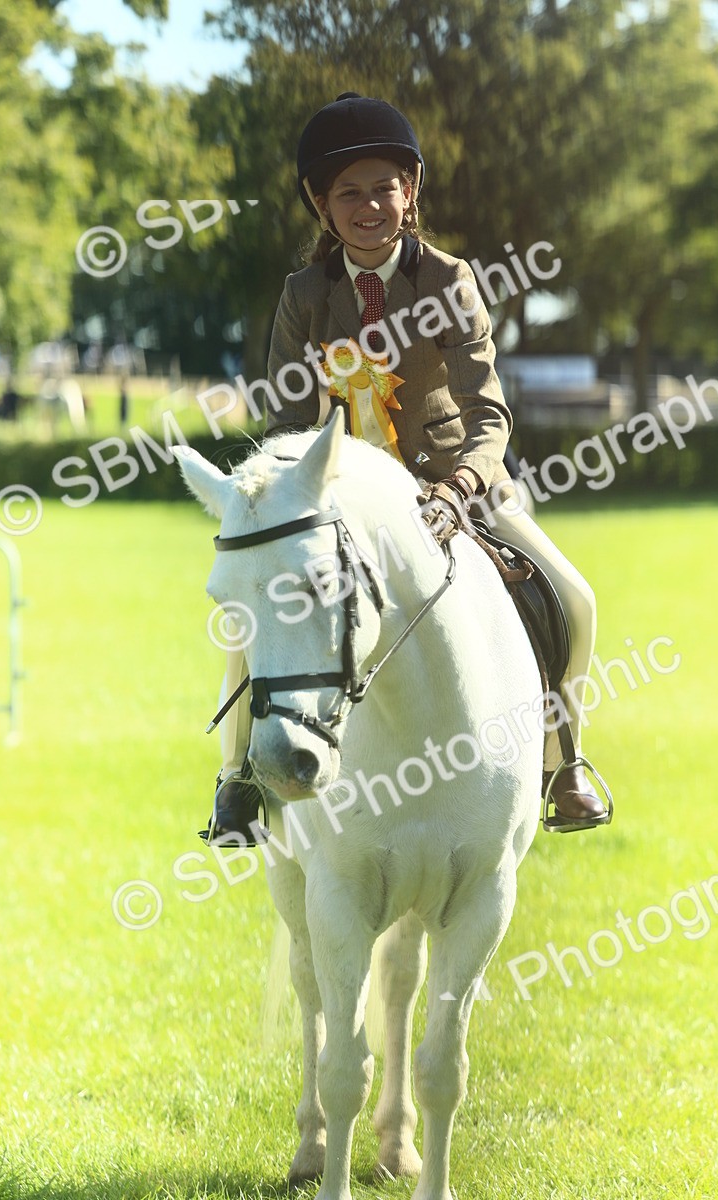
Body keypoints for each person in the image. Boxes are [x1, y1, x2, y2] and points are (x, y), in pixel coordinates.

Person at [205, 92, 610, 846]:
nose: (368, 207)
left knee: (576, 599)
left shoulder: (450, 281)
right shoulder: (303, 298)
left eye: (383, 188)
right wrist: (290, 493)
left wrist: (459, 490)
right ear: (320, 204)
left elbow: (488, 414)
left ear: (409, 193)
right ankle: (237, 782)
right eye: (348, 193)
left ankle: (564, 763)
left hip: (452, 486)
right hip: (339, 500)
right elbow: (286, 426)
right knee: (249, 615)